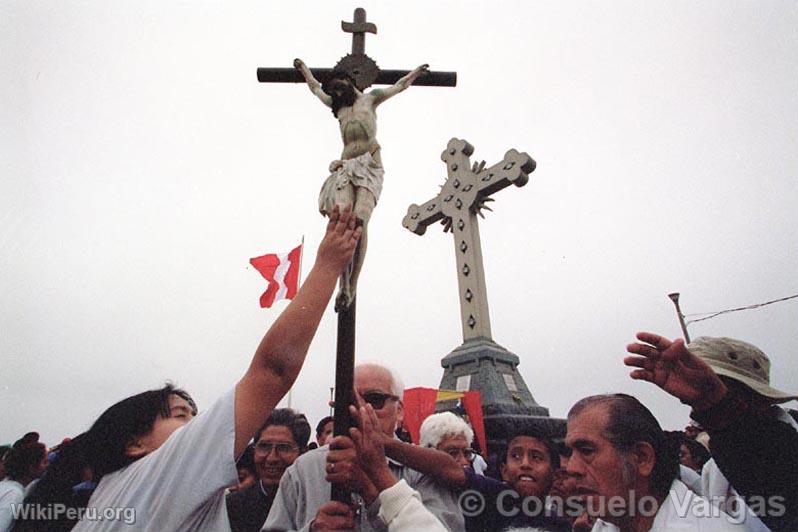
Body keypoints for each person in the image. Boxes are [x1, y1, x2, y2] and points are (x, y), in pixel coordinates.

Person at [19, 208, 361, 531]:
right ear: (135, 444)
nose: (197, 425)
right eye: (180, 415)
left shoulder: (111, 497)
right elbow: (274, 370)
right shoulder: (155, 477)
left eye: (194, 415)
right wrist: (328, 263)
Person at [625, 333, 798, 531]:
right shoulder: (713, 471)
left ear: (750, 392)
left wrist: (718, 406)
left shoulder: (786, 448)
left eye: (709, 386)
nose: (698, 405)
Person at [293, 58, 429, 309]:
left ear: (349, 81)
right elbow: (314, 88)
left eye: (339, 86)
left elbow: (399, 86)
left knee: (360, 221)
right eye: (333, 90)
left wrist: (416, 73)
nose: (336, 92)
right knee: (343, 220)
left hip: (370, 164)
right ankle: (342, 285)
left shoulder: (370, 99)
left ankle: (352, 285)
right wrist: (303, 70)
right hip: (346, 166)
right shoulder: (339, 108)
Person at [263, 362, 463, 531]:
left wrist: (373, 494)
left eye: (375, 400)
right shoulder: (304, 469)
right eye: (349, 401)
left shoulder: (423, 471)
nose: (360, 409)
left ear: (399, 410)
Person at [565, 393, 745, 531]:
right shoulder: (607, 525)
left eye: (586, 451)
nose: (571, 468)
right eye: (571, 453)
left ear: (642, 457)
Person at [377, 424, 569, 531]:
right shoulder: (491, 497)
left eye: (536, 457)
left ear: (555, 474)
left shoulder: (561, 524)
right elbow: (447, 468)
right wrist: (383, 443)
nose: (525, 464)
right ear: (503, 470)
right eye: (516, 456)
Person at [226, 409, 310, 532]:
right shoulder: (232, 507)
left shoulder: (315, 502)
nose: (272, 458)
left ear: (303, 453)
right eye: (264, 446)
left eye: (284, 447)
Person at [0, 433, 47, 532]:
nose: (47, 466)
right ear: (32, 468)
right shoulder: (14, 494)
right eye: (44, 462)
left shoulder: (4, 485)